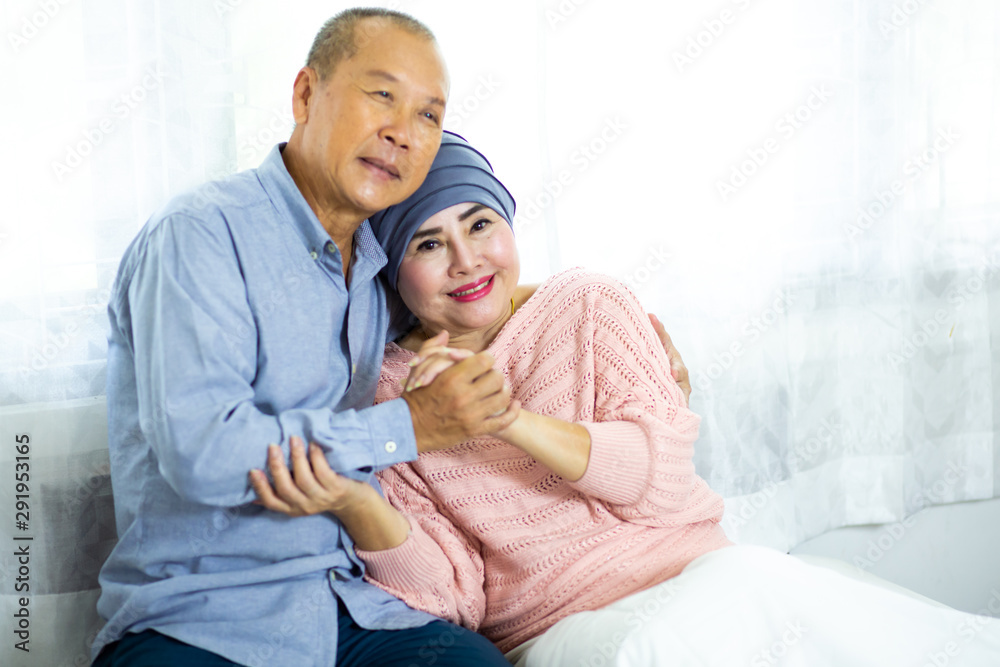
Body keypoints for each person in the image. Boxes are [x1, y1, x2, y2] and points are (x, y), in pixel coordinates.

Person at [252, 132, 1000, 666]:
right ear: (392, 270)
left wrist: (506, 420)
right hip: (562, 630)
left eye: (480, 224)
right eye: (427, 242)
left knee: (766, 590)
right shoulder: (385, 394)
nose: (467, 259)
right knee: (656, 648)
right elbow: (454, 599)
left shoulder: (588, 303)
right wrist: (356, 501)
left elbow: (662, 479)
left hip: (700, 574)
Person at [93, 9, 520, 666]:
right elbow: (204, 452)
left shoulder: (378, 266)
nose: (401, 133)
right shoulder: (200, 235)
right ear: (305, 95)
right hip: (198, 622)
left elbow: (459, 297)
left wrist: (609, 312)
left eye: (428, 115)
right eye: (382, 95)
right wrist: (406, 426)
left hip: (349, 607)